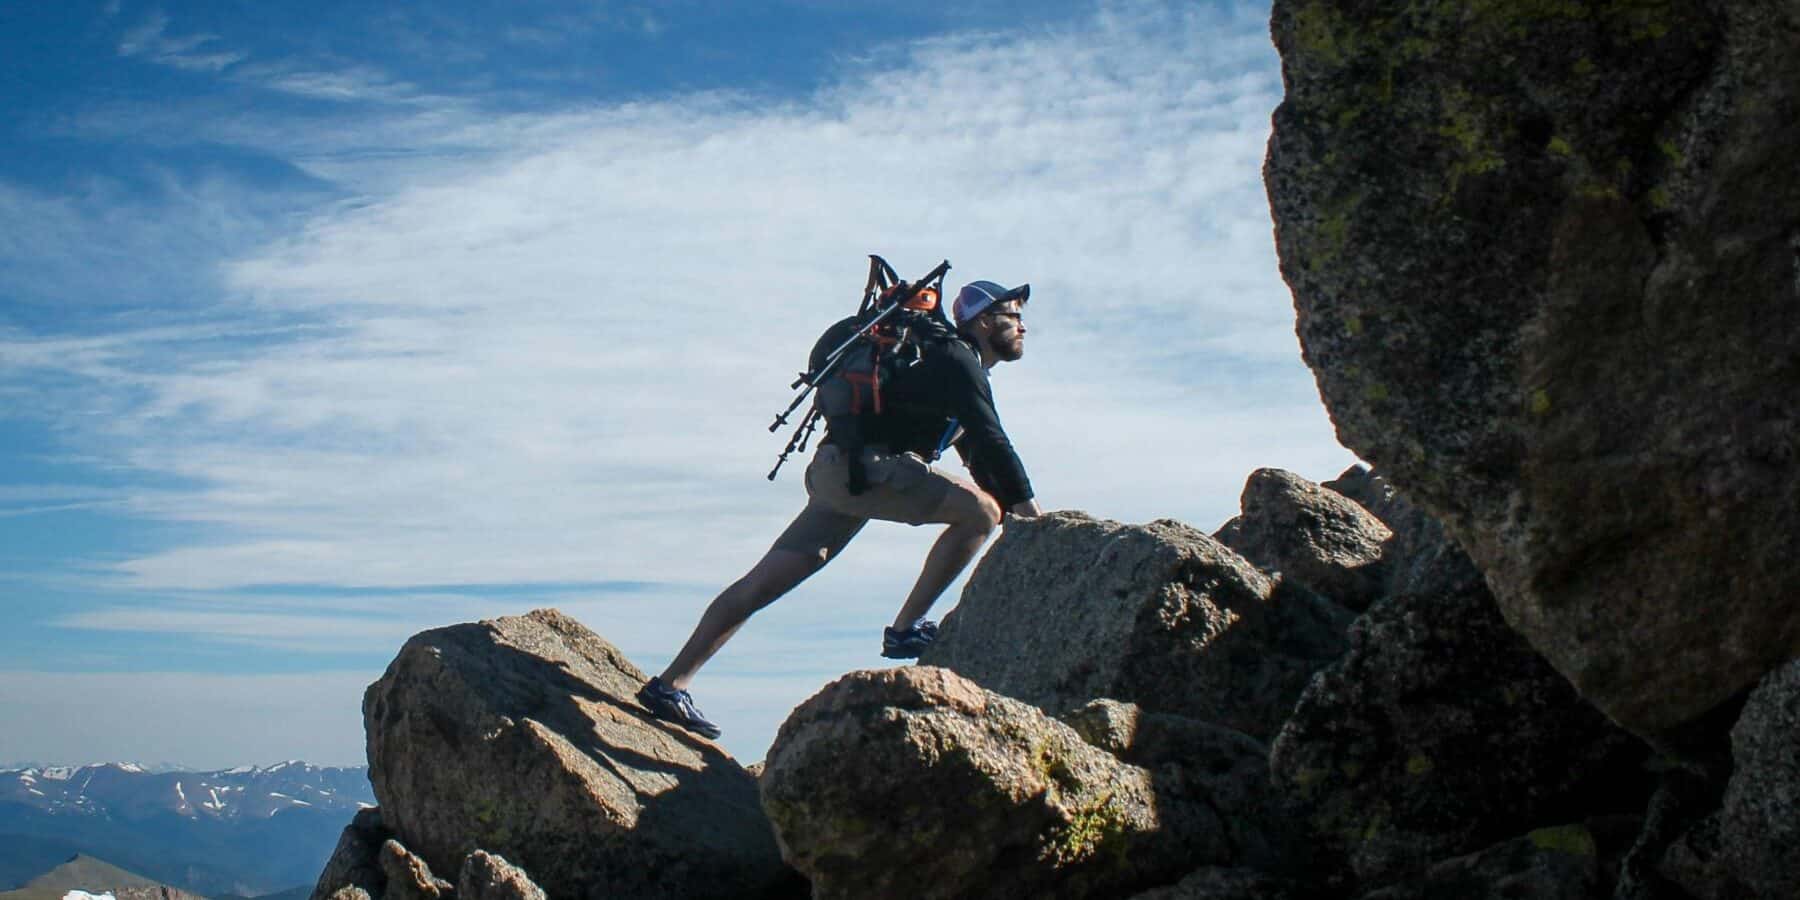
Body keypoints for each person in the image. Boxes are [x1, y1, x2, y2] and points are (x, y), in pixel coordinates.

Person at [637, 278, 1044, 738]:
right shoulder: (956, 360)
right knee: (980, 513)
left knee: (762, 583)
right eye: (1014, 316)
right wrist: (1033, 519)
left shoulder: (951, 364)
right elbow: (993, 441)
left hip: (840, 473)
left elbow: (980, 454)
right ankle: (906, 629)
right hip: (861, 472)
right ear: (984, 320)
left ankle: (670, 685)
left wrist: (1022, 515)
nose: (1024, 326)